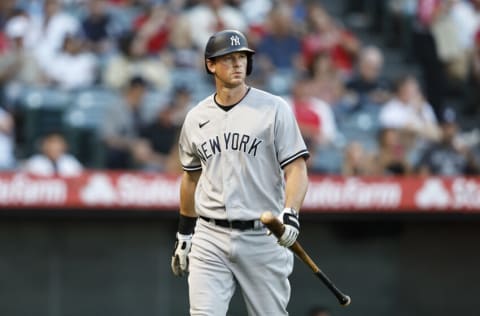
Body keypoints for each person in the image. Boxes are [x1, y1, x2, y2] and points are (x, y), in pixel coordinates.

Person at [170, 29, 310, 316]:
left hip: (262, 236)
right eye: (229, 58)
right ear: (211, 64)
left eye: (243, 57)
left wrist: (291, 212)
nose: (237, 64)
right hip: (210, 235)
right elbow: (191, 178)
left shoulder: (274, 108)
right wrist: (185, 235)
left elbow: (296, 168)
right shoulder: (196, 117)